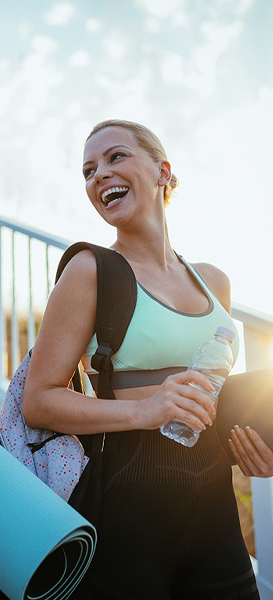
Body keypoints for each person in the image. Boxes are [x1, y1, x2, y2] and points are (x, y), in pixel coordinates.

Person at [22, 119, 271, 599]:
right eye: (88, 170)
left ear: (163, 171)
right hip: (129, 499)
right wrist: (143, 409)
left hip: (215, 499)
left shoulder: (213, 281)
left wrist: (257, 446)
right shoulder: (89, 270)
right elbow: (39, 400)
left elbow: (213, 392)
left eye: (116, 157)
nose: (99, 176)